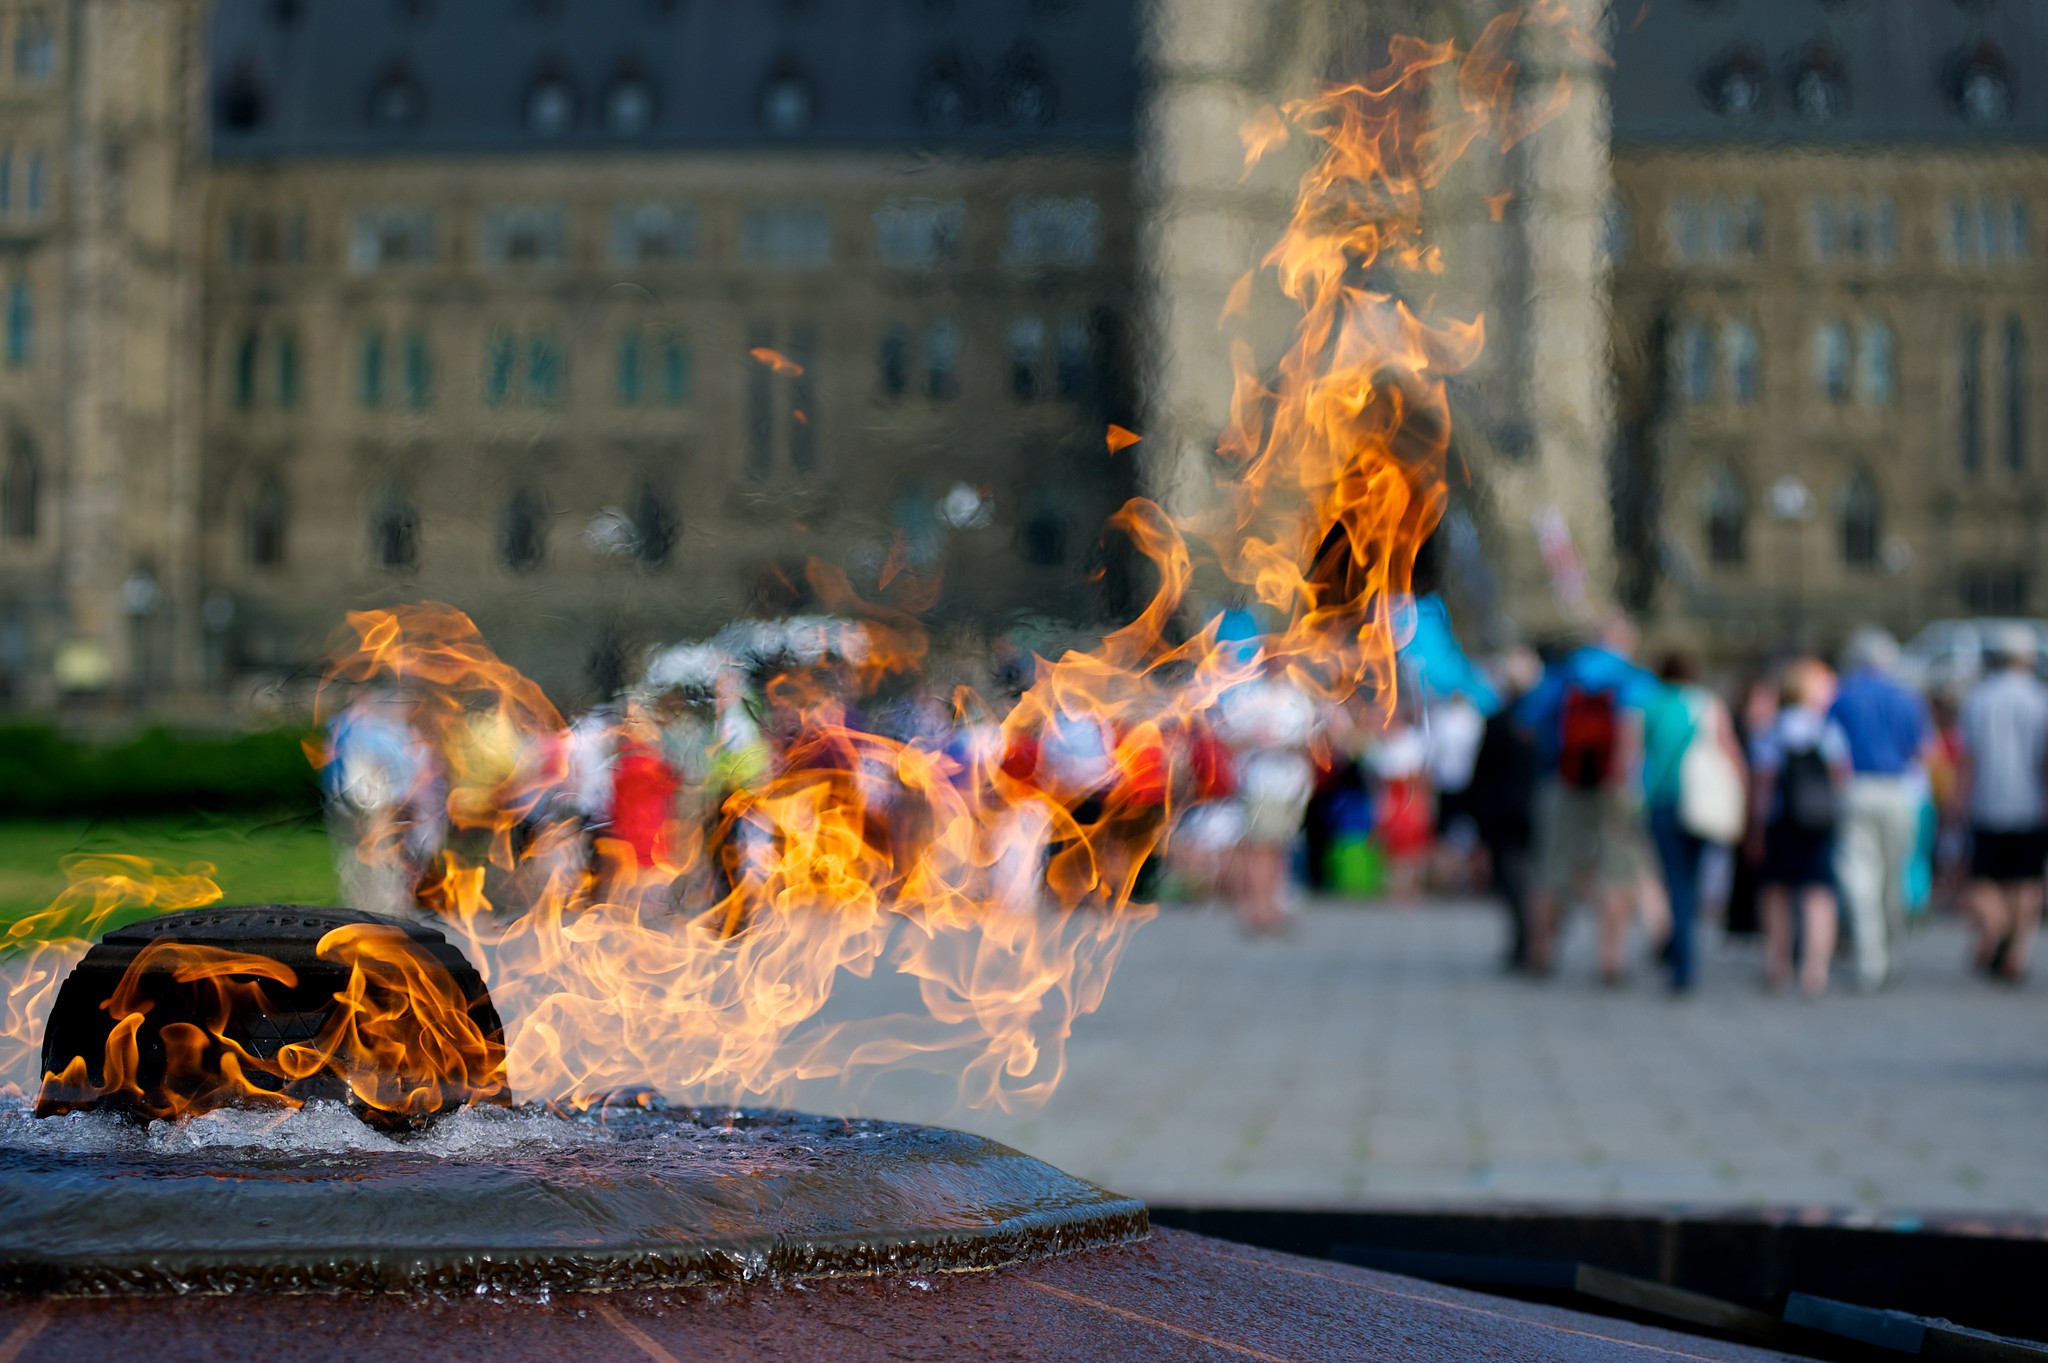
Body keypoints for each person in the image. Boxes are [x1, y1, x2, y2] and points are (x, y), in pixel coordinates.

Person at [1515, 617, 1659, 981]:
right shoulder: (1635, 678)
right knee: (1618, 870)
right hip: (1617, 786)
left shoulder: (1565, 673)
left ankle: (1540, 953)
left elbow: (1526, 721)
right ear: (1626, 641)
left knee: (1552, 869)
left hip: (1562, 781)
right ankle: (1610, 961)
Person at [1826, 628, 1932, 991]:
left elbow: (1831, 751)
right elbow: (1921, 752)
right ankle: (1892, 951)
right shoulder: (1907, 698)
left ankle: (1870, 959)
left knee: (1859, 879)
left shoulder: (1843, 696)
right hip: (1897, 789)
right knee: (1892, 876)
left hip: (1857, 788)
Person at [1641, 652, 1744, 993]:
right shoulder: (1706, 702)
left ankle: (1680, 958)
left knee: (1675, 882)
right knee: (1693, 881)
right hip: (1701, 804)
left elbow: (1637, 754)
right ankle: (1682, 953)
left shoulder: (1651, 704)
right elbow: (1730, 751)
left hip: (1664, 801)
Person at [1747, 663, 1851, 997]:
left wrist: (1755, 828)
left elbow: (1762, 786)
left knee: (1776, 892)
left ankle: (1778, 966)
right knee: (1818, 894)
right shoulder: (1827, 730)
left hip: (1780, 822)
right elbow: (1840, 778)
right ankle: (1814, 969)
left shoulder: (1771, 730)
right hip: (1818, 822)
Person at [1955, 625, 2048, 983]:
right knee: (2025, 881)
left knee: (1983, 879)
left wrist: (1957, 804)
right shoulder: (2040, 698)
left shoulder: (1979, 699)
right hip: (2032, 804)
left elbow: (1968, 759)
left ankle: (1996, 926)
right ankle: (2018, 952)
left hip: (1987, 802)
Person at [1217, 656, 1318, 935]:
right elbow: (1228, 739)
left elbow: (1312, 745)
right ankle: (1257, 908)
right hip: (1261, 784)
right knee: (1259, 848)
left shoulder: (1298, 698)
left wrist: (1288, 746)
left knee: (1278, 848)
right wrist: (1258, 742)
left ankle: (1272, 905)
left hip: (1291, 787)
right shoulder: (1249, 697)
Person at [1470, 649, 1541, 969]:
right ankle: (1534, 942)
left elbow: (1482, 773)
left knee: (1513, 880)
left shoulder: (1498, 721)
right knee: (1534, 879)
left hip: (1504, 810)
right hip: (1538, 807)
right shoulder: (1543, 720)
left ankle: (1526, 941)